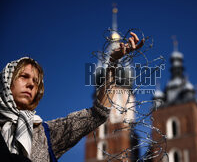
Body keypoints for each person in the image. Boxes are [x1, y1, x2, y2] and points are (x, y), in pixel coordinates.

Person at [0, 32, 144, 162]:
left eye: (36, 82)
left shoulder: (46, 133)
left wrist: (113, 62)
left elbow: (97, 114)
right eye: (24, 77)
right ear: (7, 80)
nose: (31, 85)